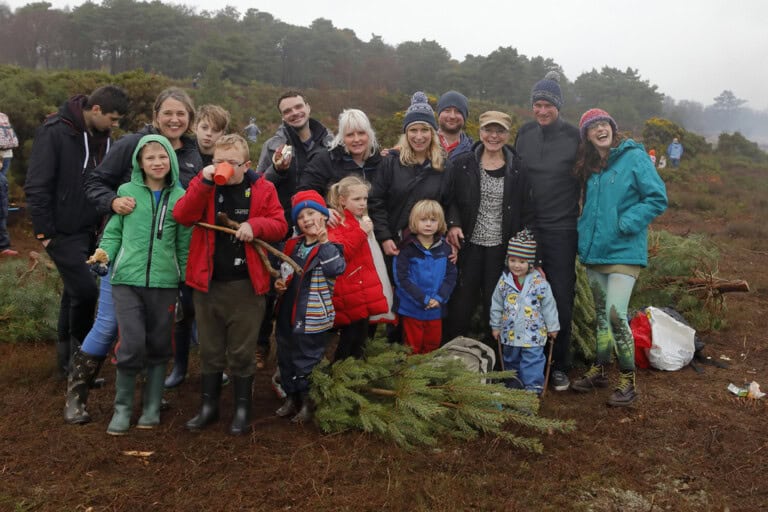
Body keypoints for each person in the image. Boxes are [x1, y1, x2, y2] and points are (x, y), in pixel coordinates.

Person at [65, 88, 202, 424]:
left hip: (165, 265)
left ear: (190, 119)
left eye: (181, 114)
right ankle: (76, 395)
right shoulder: (132, 145)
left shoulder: (196, 154)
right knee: (110, 324)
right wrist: (112, 202)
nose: (174, 119)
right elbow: (94, 182)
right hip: (126, 256)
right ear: (156, 114)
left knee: (156, 332)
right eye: (168, 112)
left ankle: (150, 398)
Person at [174, 134, 287, 435]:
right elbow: (183, 215)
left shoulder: (263, 188)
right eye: (216, 161)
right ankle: (208, 408)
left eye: (230, 164)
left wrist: (255, 225)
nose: (222, 168)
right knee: (210, 350)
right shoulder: (206, 184)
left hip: (246, 286)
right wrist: (205, 180)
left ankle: (241, 409)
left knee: (241, 352)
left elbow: (280, 225)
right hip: (207, 283)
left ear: (246, 165)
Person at [24, 85, 129, 379]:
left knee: (73, 293)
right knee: (85, 291)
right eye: (113, 118)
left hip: (90, 229)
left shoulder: (106, 140)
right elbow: (37, 184)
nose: (115, 125)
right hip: (60, 230)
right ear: (95, 110)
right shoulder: (55, 131)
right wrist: (44, 232)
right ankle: (82, 361)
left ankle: (67, 365)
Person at [570, 108, 668, 407]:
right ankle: (599, 370)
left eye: (604, 124)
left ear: (613, 128)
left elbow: (657, 197)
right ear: (586, 135)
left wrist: (626, 223)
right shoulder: (590, 165)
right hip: (595, 251)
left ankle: (628, 382)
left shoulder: (634, 157)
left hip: (624, 251)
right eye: (593, 127)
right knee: (601, 316)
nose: (600, 129)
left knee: (615, 314)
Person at [97, 134, 190, 435]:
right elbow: (113, 233)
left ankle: (151, 407)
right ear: (139, 162)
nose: (157, 162)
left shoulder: (180, 198)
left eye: (162, 157)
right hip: (126, 281)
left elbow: (184, 244)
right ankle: (122, 409)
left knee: (160, 343)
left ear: (171, 161)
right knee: (132, 342)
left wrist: (187, 277)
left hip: (165, 283)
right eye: (149, 158)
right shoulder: (126, 194)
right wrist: (104, 254)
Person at [443, 111, 535, 347]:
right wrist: (453, 224)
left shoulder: (518, 168)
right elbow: (450, 199)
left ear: (507, 134)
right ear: (480, 131)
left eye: (500, 131)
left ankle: (495, 364)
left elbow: (527, 210)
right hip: (469, 246)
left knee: (495, 307)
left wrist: (524, 249)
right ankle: (449, 356)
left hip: (501, 249)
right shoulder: (463, 163)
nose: (494, 136)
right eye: (488, 130)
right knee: (461, 305)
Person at [514, 71, 581, 392]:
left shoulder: (573, 137)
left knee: (560, 298)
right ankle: (527, 359)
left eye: (548, 106)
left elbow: (593, 172)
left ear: (558, 107)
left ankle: (559, 365)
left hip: (562, 230)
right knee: (523, 294)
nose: (541, 111)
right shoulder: (524, 133)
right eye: (537, 105)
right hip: (527, 228)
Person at [162, 103, 231, 390]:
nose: (208, 135)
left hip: (215, 243)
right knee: (183, 310)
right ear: (195, 127)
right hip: (184, 243)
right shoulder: (183, 155)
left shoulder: (228, 159)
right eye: (204, 128)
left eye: (215, 131)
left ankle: (215, 366)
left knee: (213, 311)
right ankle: (178, 367)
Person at [273, 190, 346, 423]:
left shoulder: (332, 247)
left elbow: (335, 269)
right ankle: (291, 397)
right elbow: (282, 271)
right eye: (301, 216)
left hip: (312, 314)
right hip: (287, 311)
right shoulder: (292, 245)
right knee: (286, 355)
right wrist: (278, 284)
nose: (306, 219)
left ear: (324, 216)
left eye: (311, 213)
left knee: (307, 358)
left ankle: (308, 401)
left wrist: (324, 241)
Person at [326, 176, 388, 360]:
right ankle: (339, 378)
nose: (362, 203)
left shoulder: (358, 220)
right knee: (348, 341)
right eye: (357, 199)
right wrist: (361, 232)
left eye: (365, 199)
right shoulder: (335, 222)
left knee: (359, 339)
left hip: (360, 290)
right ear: (342, 200)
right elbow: (341, 252)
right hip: (348, 292)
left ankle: (353, 378)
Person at [490, 229, 559, 394]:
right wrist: (495, 325)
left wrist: (553, 327)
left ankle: (531, 390)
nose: (516, 265)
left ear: (530, 263)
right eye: (512, 260)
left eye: (522, 262)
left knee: (532, 361)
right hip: (510, 333)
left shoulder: (539, 283)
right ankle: (514, 387)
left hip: (533, 334)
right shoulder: (504, 281)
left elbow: (549, 306)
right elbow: (497, 304)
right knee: (511, 360)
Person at [256, 90, 333, 229]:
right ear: (282, 117)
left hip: (326, 225)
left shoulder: (331, 144)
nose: (295, 113)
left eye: (298, 107)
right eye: (287, 111)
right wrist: (276, 170)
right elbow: (259, 187)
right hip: (284, 228)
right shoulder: (272, 147)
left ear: (308, 108)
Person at [393, 200, 456, 354]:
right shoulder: (406, 248)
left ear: (440, 222)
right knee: (411, 347)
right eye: (423, 220)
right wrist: (423, 299)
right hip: (412, 308)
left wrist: (439, 298)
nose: (428, 224)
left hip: (436, 308)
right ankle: (411, 375)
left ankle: (429, 375)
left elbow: (451, 275)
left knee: (432, 344)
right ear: (414, 221)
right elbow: (401, 279)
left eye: (433, 220)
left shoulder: (445, 248)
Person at [299, 108, 382, 196]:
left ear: (369, 134)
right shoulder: (324, 160)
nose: (357, 139)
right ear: (342, 137)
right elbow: (305, 193)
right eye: (350, 135)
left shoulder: (380, 161)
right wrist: (325, 209)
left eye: (361, 133)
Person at [436, 91, 473, 160]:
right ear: (439, 114)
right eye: (447, 110)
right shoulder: (424, 145)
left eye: (458, 111)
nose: (452, 116)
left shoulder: (473, 151)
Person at [1, 145, 17, 257]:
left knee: (2, 229)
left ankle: (4, 247)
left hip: (1, 210)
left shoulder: (2, 179)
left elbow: (4, 197)